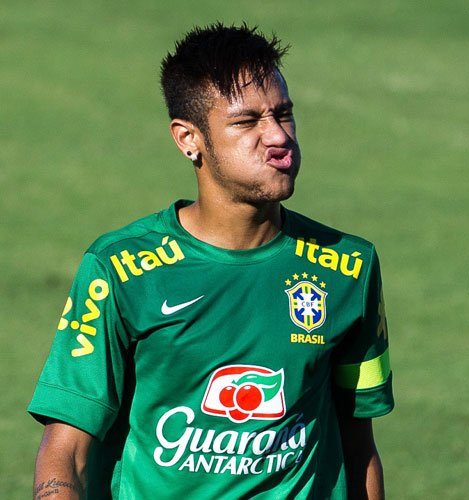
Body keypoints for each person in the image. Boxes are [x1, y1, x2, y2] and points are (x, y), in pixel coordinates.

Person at [29, 23, 393, 500]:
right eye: (247, 122)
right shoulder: (121, 270)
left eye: (284, 114)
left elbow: (358, 442)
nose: (278, 136)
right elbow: (67, 451)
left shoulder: (348, 268)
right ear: (188, 140)